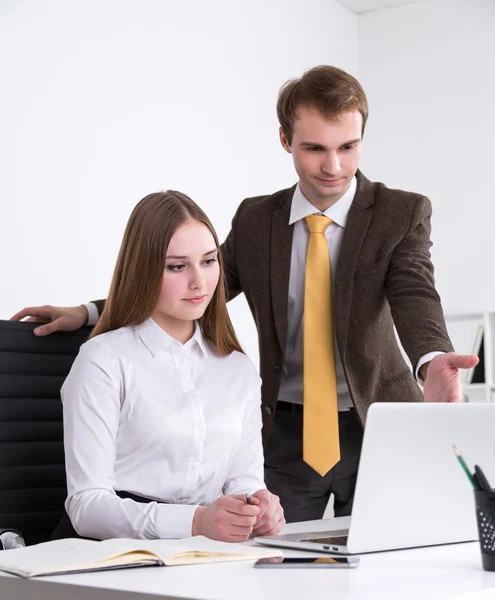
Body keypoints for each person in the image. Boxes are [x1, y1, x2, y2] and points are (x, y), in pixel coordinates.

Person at [13, 66, 477, 524]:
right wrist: (91, 311)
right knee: (276, 560)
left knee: (389, 562)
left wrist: (432, 357)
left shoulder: (401, 212)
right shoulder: (257, 220)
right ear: (284, 140)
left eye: (347, 147)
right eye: (314, 148)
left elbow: (414, 289)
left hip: (376, 420)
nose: (333, 166)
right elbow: (201, 278)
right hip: (288, 431)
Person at [48, 190, 284, 541]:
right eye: (177, 266)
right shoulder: (104, 361)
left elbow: (244, 480)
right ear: (143, 269)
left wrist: (259, 507)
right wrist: (195, 522)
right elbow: (87, 505)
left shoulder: (238, 369)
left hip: (199, 555)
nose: (199, 282)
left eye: (209, 261)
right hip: (106, 554)